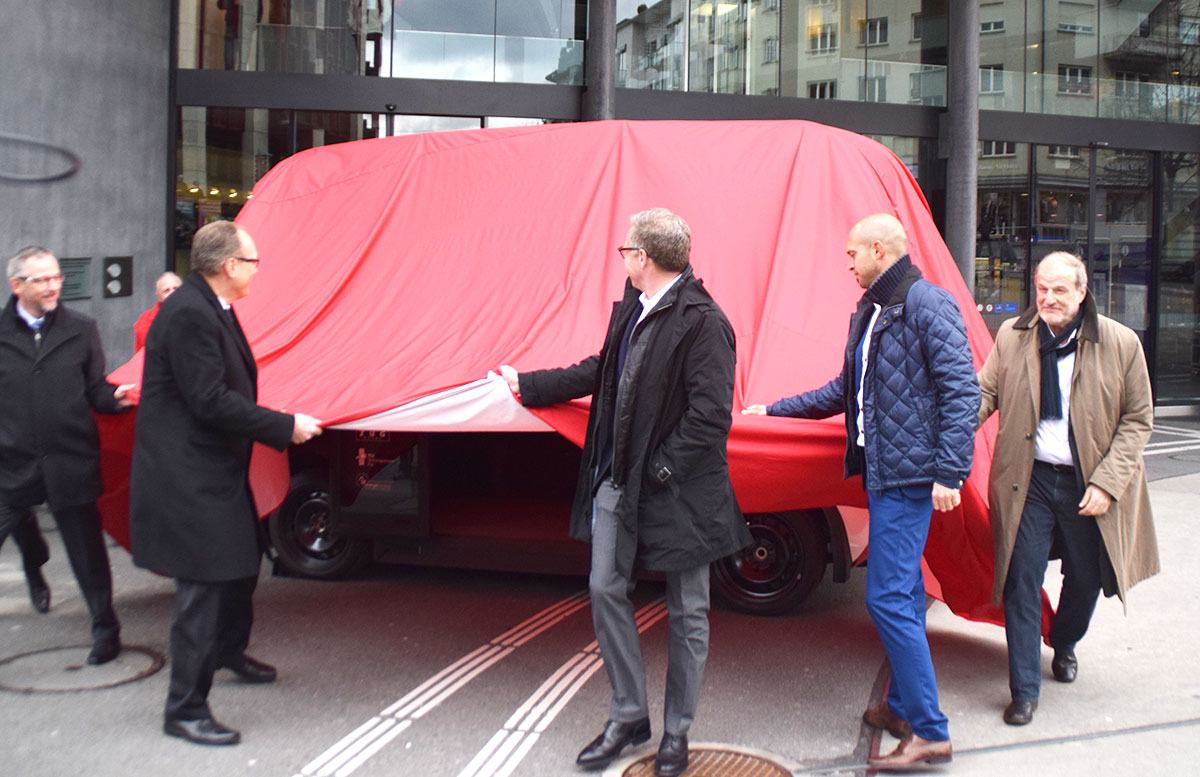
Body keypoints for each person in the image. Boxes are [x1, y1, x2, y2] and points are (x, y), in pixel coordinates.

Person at [500, 208, 750, 776]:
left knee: (689, 613)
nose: (622, 260)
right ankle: (629, 714)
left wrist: (658, 470)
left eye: (625, 251)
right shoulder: (632, 308)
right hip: (620, 483)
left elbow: (710, 418)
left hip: (679, 492)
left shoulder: (705, 322)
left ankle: (677, 734)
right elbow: (601, 370)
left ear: (643, 257)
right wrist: (531, 385)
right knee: (604, 588)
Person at [745, 214, 979, 768]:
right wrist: (775, 410)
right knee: (896, 594)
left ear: (880, 250)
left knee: (889, 598)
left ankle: (929, 730)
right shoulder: (872, 312)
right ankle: (899, 707)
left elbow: (962, 391)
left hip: (907, 478)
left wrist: (950, 472)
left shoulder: (928, 304)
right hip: (884, 473)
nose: (847, 262)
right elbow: (842, 389)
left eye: (853, 253)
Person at [129, 221, 323, 746]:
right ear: (230, 266)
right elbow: (209, 400)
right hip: (189, 477)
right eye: (254, 260)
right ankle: (185, 708)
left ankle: (228, 651)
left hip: (213, 470)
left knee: (241, 567)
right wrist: (284, 425)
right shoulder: (190, 313)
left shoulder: (211, 306)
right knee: (203, 588)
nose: (259, 269)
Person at [976, 251, 1159, 726]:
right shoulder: (1013, 336)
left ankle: (1064, 640)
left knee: (1087, 578)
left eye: (1059, 290)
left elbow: (1138, 421)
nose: (1048, 298)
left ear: (1082, 292)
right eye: (1041, 288)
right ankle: (1024, 691)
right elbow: (985, 395)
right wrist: (944, 435)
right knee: (1021, 580)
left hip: (1087, 482)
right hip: (1028, 479)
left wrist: (1107, 482)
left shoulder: (1120, 344)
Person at [1, 246, 134, 664]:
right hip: (11, 465)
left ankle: (105, 629)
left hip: (69, 461)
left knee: (87, 553)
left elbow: (94, 388)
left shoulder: (81, 328)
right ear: (16, 285)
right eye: (42, 279)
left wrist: (115, 398)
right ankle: (34, 560)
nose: (54, 286)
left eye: (56, 277)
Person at [133, 271, 182, 351]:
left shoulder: (196, 313)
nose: (172, 293)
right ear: (159, 297)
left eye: (176, 288)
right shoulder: (146, 320)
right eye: (166, 290)